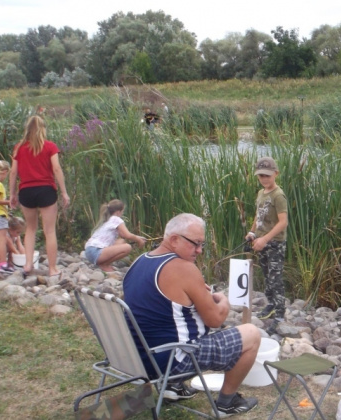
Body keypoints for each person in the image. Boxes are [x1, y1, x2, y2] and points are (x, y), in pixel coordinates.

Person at [123, 213, 260, 416]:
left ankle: (172, 387)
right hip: (171, 360)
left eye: (201, 244)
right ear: (174, 240)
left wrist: (195, 296)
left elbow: (158, 307)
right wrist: (222, 299)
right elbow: (215, 320)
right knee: (252, 334)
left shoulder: (140, 261)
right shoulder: (183, 268)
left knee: (174, 325)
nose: (199, 250)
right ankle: (226, 403)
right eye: (195, 243)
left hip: (135, 356)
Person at [9, 115, 71, 277]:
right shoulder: (50, 146)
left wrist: (12, 194)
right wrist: (64, 192)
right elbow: (56, 169)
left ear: (27, 129)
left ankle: (28, 264)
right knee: (49, 231)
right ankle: (52, 269)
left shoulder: (19, 148)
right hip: (45, 190)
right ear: (43, 129)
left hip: (26, 191)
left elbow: (13, 172)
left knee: (30, 229)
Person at [245, 157, 289, 321]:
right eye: (261, 175)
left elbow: (283, 222)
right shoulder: (261, 193)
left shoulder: (278, 196)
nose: (264, 179)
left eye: (267, 175)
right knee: (266, 274)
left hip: (275, 243)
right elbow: (259, 215)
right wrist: (253, 232)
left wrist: (265, 239)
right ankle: (271, 304)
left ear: (275, 174)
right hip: (261, 242)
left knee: (275, 278)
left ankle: (280, 313)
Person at [84, 199, 146, 272]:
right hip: (96, 252)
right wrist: (139, 240)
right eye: (122, 211)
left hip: (89, 251)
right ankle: (104, 264)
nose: (122, 214)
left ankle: (103, 263)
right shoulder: (116, 219)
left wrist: (138, 237)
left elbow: (123, 235)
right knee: (128, 247)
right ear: (118, 212)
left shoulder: (107, 219)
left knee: (121, 241)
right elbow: (127, 235)